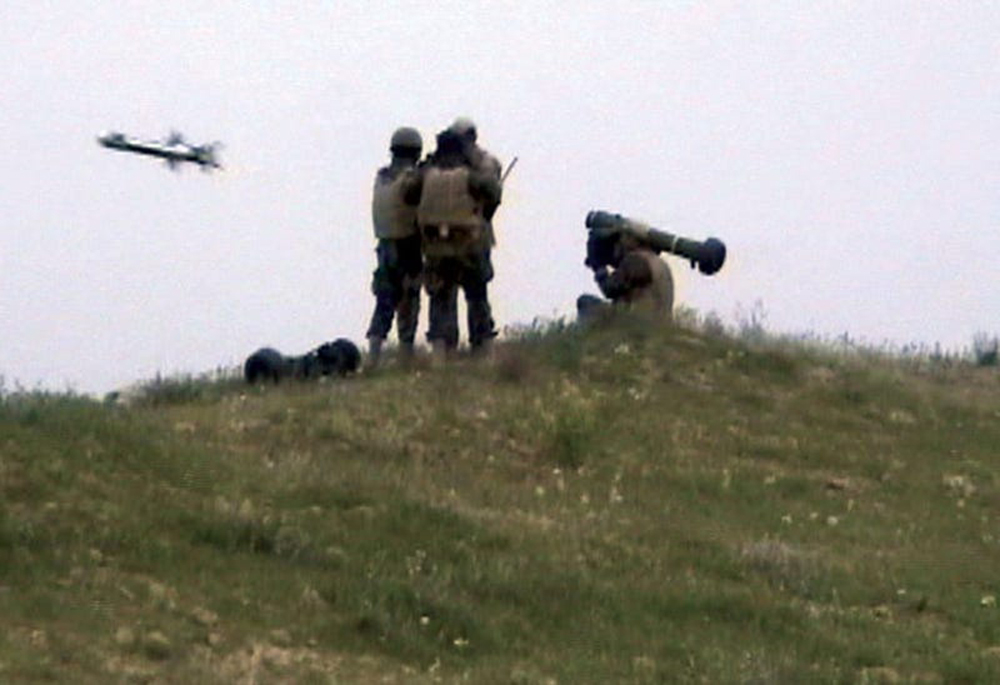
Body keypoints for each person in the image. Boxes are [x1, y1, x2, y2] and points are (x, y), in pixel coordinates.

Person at [408, 120, 502, 359]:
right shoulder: (474, 172)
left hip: (435, 246)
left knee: (440, 298)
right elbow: (493, 193)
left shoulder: (427, 171)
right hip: (471, 243)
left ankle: (441, 354)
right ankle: (483, 351)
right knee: (477, 296)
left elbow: (409, 194)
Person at [365, 127, 424, 367]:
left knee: (384, 300)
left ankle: (374, 354)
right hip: (407, 245)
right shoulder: (410, 178)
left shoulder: (381, 178)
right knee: (409, 300)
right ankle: (405, 353)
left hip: (384, 246)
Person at [577, 223, 674, 321]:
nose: (618, 244)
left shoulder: (636, 259)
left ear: (631, 240)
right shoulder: (656, 261)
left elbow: (610, 289)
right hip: (656, 322)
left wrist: (599, 267)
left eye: (619, 240)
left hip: (638, 323)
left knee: (585, 302)